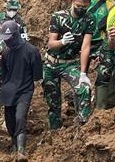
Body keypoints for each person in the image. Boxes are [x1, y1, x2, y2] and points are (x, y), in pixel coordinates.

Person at [43, 0, 97, 129]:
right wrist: (62, 42)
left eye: (84, 7)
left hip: (70, 64)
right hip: (52, 63)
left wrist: (83, 73)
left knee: (84, 88)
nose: (81, 9)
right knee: (53, 101)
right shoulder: (58, 17)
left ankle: (82, 127)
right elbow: (51, 44)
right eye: (78, 6)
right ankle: (54, 131)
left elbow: (85, 46)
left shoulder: (89, 18)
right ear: (73, 2)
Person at [0, 20, 43, 161]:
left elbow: (37, 75)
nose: (7, 42)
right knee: (9, 120)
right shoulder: (5, 52)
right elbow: (3, 74)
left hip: (25, 90)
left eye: (9, 39)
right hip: (8, 90)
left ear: (16, 35)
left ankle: (21, 149)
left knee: (20, 117)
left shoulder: (31, 51)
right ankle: (14, 144)